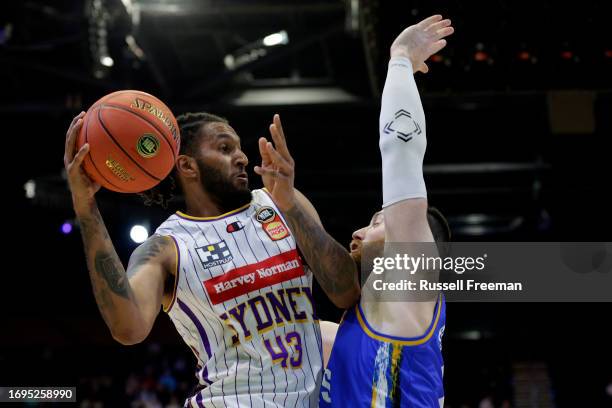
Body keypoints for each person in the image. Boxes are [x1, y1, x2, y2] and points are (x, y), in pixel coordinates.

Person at [63, 109, 361, 406]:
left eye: (239, 147)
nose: (242, 157)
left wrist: (291, 206)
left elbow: (347, 292)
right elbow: (128, 329)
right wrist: (86, 206)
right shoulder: (166, 247)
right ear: (187, 165)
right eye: (224, 148)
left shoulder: (281, 204)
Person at [319, 15, 454, 407]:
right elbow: (291, 340)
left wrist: (400, 59)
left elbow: (401, 151)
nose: (360, 230)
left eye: (380, 221)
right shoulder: (357, 327)